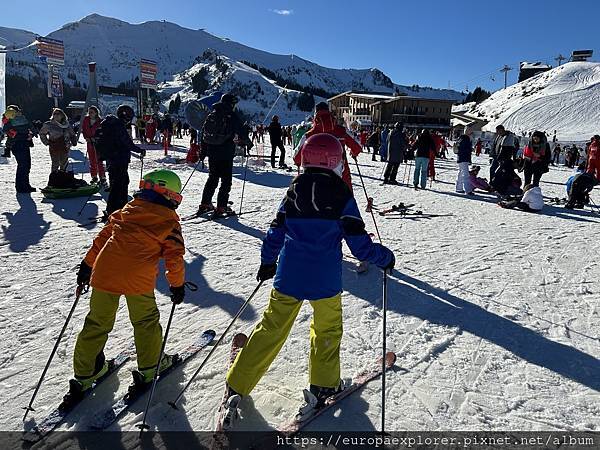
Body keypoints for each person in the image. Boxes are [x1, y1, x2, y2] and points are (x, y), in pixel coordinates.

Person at [222, 134, 395, 425]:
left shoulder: (294, 190)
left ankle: (238, 382)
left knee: (271, 328)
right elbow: (359, 245)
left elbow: (275, 231)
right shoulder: (341, 194)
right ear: (335, 162)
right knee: (327, 331)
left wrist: (267, 261)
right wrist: (384, 257)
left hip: (289, 275)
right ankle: (324, 384)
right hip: (324, 280)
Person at [63, 169, 186, 407]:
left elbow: (101, 239)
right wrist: (177, 285)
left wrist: (87, 266)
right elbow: (175, 257)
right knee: (145, 321)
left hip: (104, 272)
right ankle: (151, 368)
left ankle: (86, 373)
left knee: (97, 322)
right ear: (169, 195)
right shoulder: (169, 221)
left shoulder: (126, 210)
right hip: (137, 278)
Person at [196, 93, 252, 217]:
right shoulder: (231, 116)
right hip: (226, 152)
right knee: (226, 180)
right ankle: (221, 207)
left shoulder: (212, 114)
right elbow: (241, 131)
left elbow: (203, 135)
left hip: (212, 152)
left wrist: (203, 152)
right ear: (231, 103)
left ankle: (205, 204)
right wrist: (248, 143)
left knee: (212, 178)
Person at [293, 102, 361, 192]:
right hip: (341, 175)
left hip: (315, 178)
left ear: (315, 115)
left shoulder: (309, 135)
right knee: (346, 200)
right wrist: (353, 153)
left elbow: (297, 158)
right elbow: (357, 147)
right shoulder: (341, 131)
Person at [98, 105, 146, 218]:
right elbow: (127, 143)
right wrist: (139, 150)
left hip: (112, 159)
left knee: (121, 182)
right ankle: (113, 210)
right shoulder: (118, 125)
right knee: (118, 185)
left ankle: (120, 206)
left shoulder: (110, 124)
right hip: (119, 159)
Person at [2, 105, 35, 193]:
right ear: (14, 112)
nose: (20, 112)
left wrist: (31, 134)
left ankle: (26, 185)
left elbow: (29, 127)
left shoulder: (22, 119)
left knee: (27, 165)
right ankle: (20, 187)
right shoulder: (10, 121)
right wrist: (15, 134)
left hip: (24, 143)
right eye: (18, 111)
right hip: (17, 144)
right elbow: (5, 130)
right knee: (23, 165)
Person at [39, 108, 77, 177]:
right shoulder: (49, 124)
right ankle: (53, 180)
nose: (56, 115)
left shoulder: (67, 125)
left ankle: (63, 179)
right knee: (55, 164)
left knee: (64, 164)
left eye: (58, 114)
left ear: (62, 115)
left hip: (65, 146)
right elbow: (42, 133)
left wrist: (74, 140)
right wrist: (47, 142)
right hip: (54, 146)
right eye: (54, 114)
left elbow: (72, 134)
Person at [81, 106, 107, 187]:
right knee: (92, 160)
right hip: (89, 142)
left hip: (98, 143)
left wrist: (96, 138)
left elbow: (102, 132)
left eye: (92, 112)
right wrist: (86, 138)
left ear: (96, 112)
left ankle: (102, 177)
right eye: (89, 112)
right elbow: (84, 130)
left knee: (99, 160)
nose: (90, 114)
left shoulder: (100, 121)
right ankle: (94, 176)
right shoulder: (86, 120)